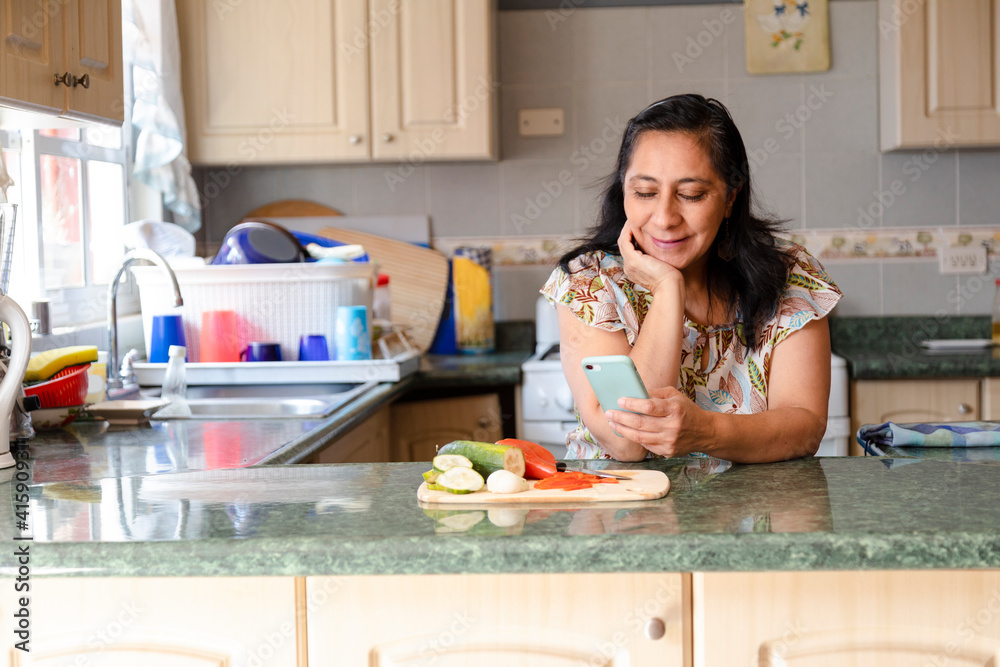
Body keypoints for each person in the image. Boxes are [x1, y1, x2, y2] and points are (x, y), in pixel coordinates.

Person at [541, 94, 842, 463]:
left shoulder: (791, 277)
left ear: (731, 197)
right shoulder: (588, 282)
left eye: (691, 194)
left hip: (756, 513)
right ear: (624, 192)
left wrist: (706, 432)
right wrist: (668, 289)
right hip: (623, 514)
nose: (665, 217)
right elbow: (630, 442)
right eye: (645, 192)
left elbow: (805, 425)